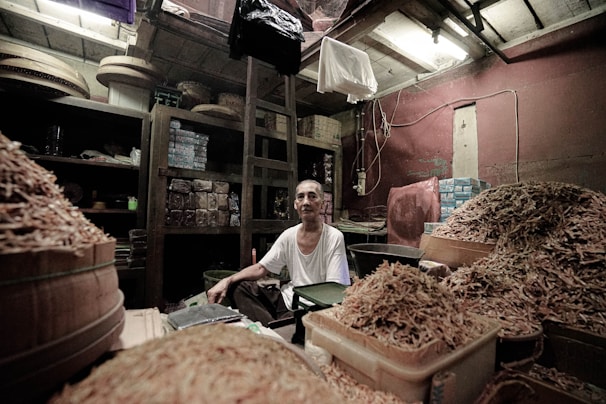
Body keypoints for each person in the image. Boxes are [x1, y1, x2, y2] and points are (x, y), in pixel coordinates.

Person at [207, 179, 351, 326]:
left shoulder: (334, 237)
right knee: (239, 287)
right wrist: (227, 280)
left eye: (312, 196)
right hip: (287, 300)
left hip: (313, 308)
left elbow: (334, 289)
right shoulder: (289, 235)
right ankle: (277, 327)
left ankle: (276, 327)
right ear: (295, 204)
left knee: (299, 322)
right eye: (301, 197)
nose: (306, 202)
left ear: (322, 204)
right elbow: (261, 268)